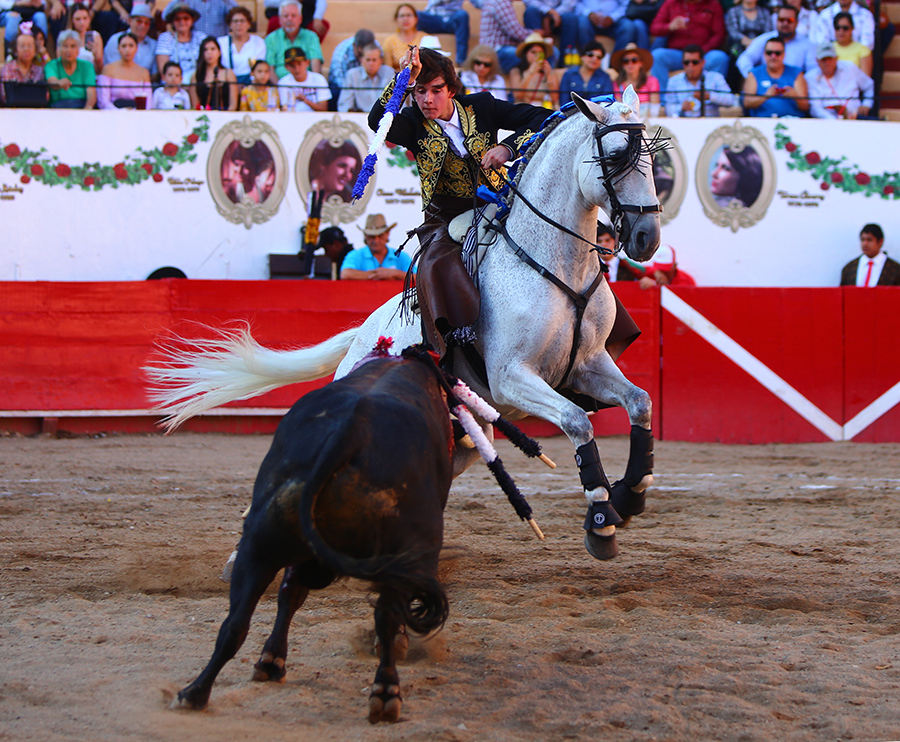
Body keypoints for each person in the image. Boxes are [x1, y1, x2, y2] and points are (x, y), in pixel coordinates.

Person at [368, 45, 551, 352]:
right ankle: (454, 334)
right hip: (445, 217)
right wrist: (402, 80)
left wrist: (507, 148)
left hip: (501, 205)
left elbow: (540, 117)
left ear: (451, 89)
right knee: (437, 262)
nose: (428, 100)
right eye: (420, 91)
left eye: (436, 90)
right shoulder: (412, 122)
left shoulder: (481, 106)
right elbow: (378, 121)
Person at [648, 0, 729, 95]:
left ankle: (711, 98)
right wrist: (669, 26)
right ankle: (663, 100)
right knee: (658, 55)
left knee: (719, 57)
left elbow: (719, 35)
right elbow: (654, 28)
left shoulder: (713, 4)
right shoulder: (671, 3)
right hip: (678, 54)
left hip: (703, 54)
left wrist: (702, 51)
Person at [736, 4, 816, 79]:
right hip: (765, 88)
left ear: (797, 22)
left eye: (790, 20)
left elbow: (813, 70)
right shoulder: (764, 39)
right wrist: (753, 78)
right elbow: (745, 58)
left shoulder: (807, 44)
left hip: (794, 90)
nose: (785, 23)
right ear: (776, 20)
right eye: (781, 19)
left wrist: (800, 83)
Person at [742, 36, 809, 117]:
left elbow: (806, 107)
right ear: (764, 54)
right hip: (762, 123)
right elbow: (747, 103)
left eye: (777, 53)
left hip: (793, 123)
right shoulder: (754, 74)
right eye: (769, 53)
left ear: (784, 54)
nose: (773, 56)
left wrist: (795, 96)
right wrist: (766, 96)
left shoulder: (797, 73)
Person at [665, 43, 735, 116]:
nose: (690, 66)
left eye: (695, 62)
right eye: (686, 62)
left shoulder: (716, 77)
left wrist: (709, 96)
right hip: (684, 125)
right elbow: (668, 109)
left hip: (710, 124)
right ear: (682, 63)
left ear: (703, 63)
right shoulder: (674, 81)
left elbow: (731, 100)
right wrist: (680, 108)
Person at [807, 41, 873, 118]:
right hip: (826, 121)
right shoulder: (810, 77)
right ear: (817, 61)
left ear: (836, 58)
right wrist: (834, 122)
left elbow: (869, 85)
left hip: (854, 118)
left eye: (830, 58)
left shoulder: (850, 68)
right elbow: (815, 108)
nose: (827, 63)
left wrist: (867, 104)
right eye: (823, 59)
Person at [341, 214, 412, 280]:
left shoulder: (401, 256)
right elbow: (345, 274)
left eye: (380, 236)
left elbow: (416, 277)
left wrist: (394, 273)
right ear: (365, 236)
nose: (376, 241)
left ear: (387, 234)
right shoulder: (355, 255)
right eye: (372, 237)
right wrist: (379, 275)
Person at [265, 0, 324, 80]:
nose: (290, 19)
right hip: (279, 86)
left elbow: (315, 66)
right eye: (286, 16)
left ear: (300, 19)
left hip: (306, 87)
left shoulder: (311, 37)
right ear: (280, 20)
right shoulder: (271, 39)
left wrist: (312, 86)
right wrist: (280, 88)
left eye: (293, 16)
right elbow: (269, 68)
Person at [479, 0, 537, 73]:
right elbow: (516, 32)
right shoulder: (501, 2)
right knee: (520, 55)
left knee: (546, 52)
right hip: (494, 52)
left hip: (496, 50)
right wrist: (536, 35)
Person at [97, 31, 152, 108]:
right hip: (113, 114)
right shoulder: (108, 69)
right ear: (118, 48)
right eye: (123, 46)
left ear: (137, 48)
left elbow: (148, 103)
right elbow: (103, 101)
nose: (127, 49)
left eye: (131, 46)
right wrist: (120, 113)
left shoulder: (143, 72)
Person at [417, 0, 480, 65]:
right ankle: (417, 58)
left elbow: (478, 3)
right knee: (414, 15)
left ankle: (461, 61)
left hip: (453, 19)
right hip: (433, 19)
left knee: (463, 15)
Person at [156, 3, 205, 84]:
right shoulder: (165, 38)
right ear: (172, 22)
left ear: (192, 20)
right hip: (172, 85)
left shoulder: (200, 37)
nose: (182, 22)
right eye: (178, 19)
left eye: (186, 18)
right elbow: (163, 69)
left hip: (198, 84)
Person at [45, 29, 96, 108]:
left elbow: (91, 93)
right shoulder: (51, 65)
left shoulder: (87, 66)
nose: (69, 50)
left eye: (73, 46)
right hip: (58, 109)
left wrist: (86, 112)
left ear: (78, 49)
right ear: (59, 48)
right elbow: (52, 81)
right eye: (65, 46)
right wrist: (59, 83)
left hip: (82, 107)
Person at [103, 4, 157, 79]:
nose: (143, 25)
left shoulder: (153, 45)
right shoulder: (115, 40)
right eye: (139, 21)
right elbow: (112, 70)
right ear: (130, 21)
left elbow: (154, 75)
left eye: (147, 23)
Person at [217, 6, 266, 85]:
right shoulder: (220, 42)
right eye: (235, 21)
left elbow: (260, 67)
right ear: (230, 25)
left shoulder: (258, 42)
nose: (239, 24)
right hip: (226, 85)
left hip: (251, 85)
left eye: (242, 21)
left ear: (249, 24)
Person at [337, 43, 393, 112]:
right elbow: (344, 105)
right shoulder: (352, 75)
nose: (371, 63)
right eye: (368, 60)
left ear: (381, 61)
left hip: (385, 118)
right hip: (359, 119)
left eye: (374, 60)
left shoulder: (389, 73)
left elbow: (399, 102)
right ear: (361, 60)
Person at [575, 0, 648, 53]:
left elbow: (625, 5)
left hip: (613, 22)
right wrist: (588, 13)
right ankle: (588, 58)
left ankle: (615, 64)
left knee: (628, 26)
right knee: (582, 24)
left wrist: (613, 17)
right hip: (588, 20)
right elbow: (576, 3)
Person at [508, 32, 558, 107]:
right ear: (526, 54)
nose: (537, 56)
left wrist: (549, 75)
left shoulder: (550, 72)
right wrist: (530, 72)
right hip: (524, 110)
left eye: (540, 52)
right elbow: (518, 95)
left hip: (543, 110)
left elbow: (555, 99)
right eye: (533, 52)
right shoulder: (516, 71)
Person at [328, 28, 378, 102]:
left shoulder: (375, 46)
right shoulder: (341, 55)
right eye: (360, 55)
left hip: (367, 82)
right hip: (342, 84)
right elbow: (340, 81)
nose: (362, 59)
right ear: (354, 45)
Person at [189, 36, 238, 110]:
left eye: (213, 49)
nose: (209, 52)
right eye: (205, 50)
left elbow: (233, 104)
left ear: (219, 52)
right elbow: (196, 106)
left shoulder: (228, 73)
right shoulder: (195, 76)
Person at [0, 28, 46, 107]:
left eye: (30, 46)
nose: (26, 49)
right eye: (22, 46)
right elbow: (5, 96)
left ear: (35, 51)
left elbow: (43, 96)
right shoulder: (7, 69)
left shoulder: (39, 70)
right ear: (15, 50)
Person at [221, 140, 276, 204]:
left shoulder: (265, 190)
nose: (239, 172)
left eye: (244, 166)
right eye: (236, 165)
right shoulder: (229, 191)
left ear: (254, 167)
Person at [610, 43, 660, 114]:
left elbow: (655, 108)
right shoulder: (617, 84)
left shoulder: (652, 81)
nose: (630, 64)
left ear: (641, 63)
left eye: (634, 60)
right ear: (622, 65)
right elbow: (618, 109)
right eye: (626, 61)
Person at [277, 46, 330, 111]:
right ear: (286, 67)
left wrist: (305, 100)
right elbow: (284, 109)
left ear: (307, 63)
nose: (297, 69)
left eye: (299, 64)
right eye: (292, 65)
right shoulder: (283, 82)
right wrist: (293, 99)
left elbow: (323, 108)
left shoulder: (319, 79)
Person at [620, 243, 696, 287]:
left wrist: (656, 286)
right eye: (659, 269)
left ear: (675, 266)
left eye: (666, 269)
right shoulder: (651, 273)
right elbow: (626, 263)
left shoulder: (686, 281)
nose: (662, 273)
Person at [382, 4, 428, 71]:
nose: (405, 19)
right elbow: (387, 69)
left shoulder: (425, 38)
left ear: (416, 19)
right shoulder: (389, 41)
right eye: (402, 16)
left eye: (409, 15)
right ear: (396, 19)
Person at [161, 0, 236, 39]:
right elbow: (165, 16)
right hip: (196, 47)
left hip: (219, 46)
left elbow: (237, 14)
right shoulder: (190, 1)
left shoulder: (222, 2)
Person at [64, 3, 103, 73]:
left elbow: (100, 70)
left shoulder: (95, 36)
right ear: (72, 20)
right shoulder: (65, 37)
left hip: (90, 75)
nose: (82, 22)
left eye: (85, 18)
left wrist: (96, 55)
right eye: (78, 19)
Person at [831, 11, 872, 76]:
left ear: (852, 29)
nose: (841, 31)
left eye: (845, 28)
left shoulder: (863, 50)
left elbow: (865, 79)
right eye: (837, 28)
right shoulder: (828, 48)